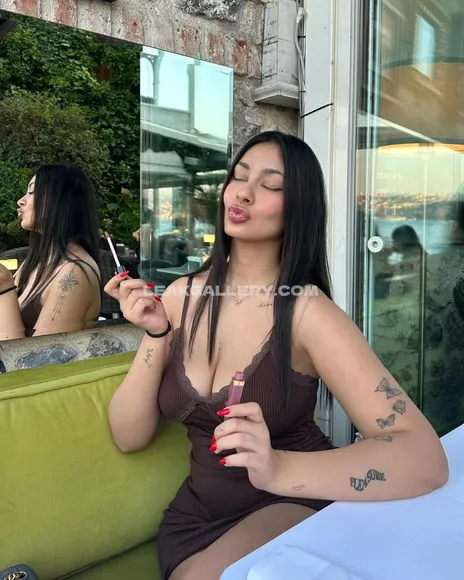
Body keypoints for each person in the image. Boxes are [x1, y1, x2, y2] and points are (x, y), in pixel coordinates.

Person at [104, 131, 448, 580]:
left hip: (287, 500)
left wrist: (278, 466)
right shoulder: (179, 297)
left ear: (297, 209)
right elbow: (129, 436)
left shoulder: (306, 312)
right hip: (193, 518)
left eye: (269, 185)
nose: (243, 192)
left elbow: (424, 458)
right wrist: (156, 334)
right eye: (238, 176)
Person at [0, 164, 101, 340]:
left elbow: (39, 353)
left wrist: (4, 287)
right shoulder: (38, 261)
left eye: (32, 192)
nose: (21, 201)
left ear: (61, 201)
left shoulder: (74, 273)